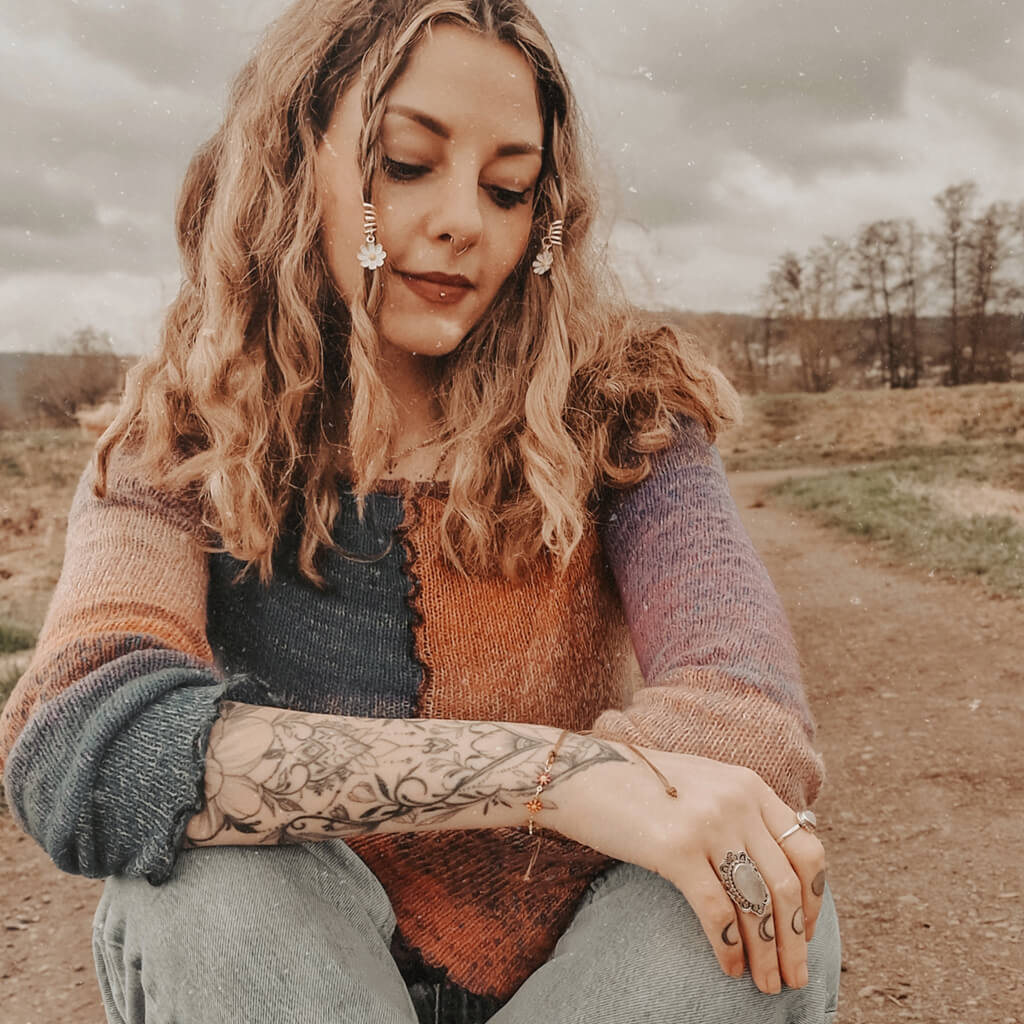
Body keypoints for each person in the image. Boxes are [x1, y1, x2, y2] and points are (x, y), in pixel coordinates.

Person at [0, 1, 841, 1021]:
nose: (463, 220)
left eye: (508, 187)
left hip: (582, 973)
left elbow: (745, 698)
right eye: (406, 163)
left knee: (755, 881)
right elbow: (82, 740)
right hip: (289, 976)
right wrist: (560, 778)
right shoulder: (179, 435)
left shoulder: (623, 411)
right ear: (295, 154)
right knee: (208, 885)